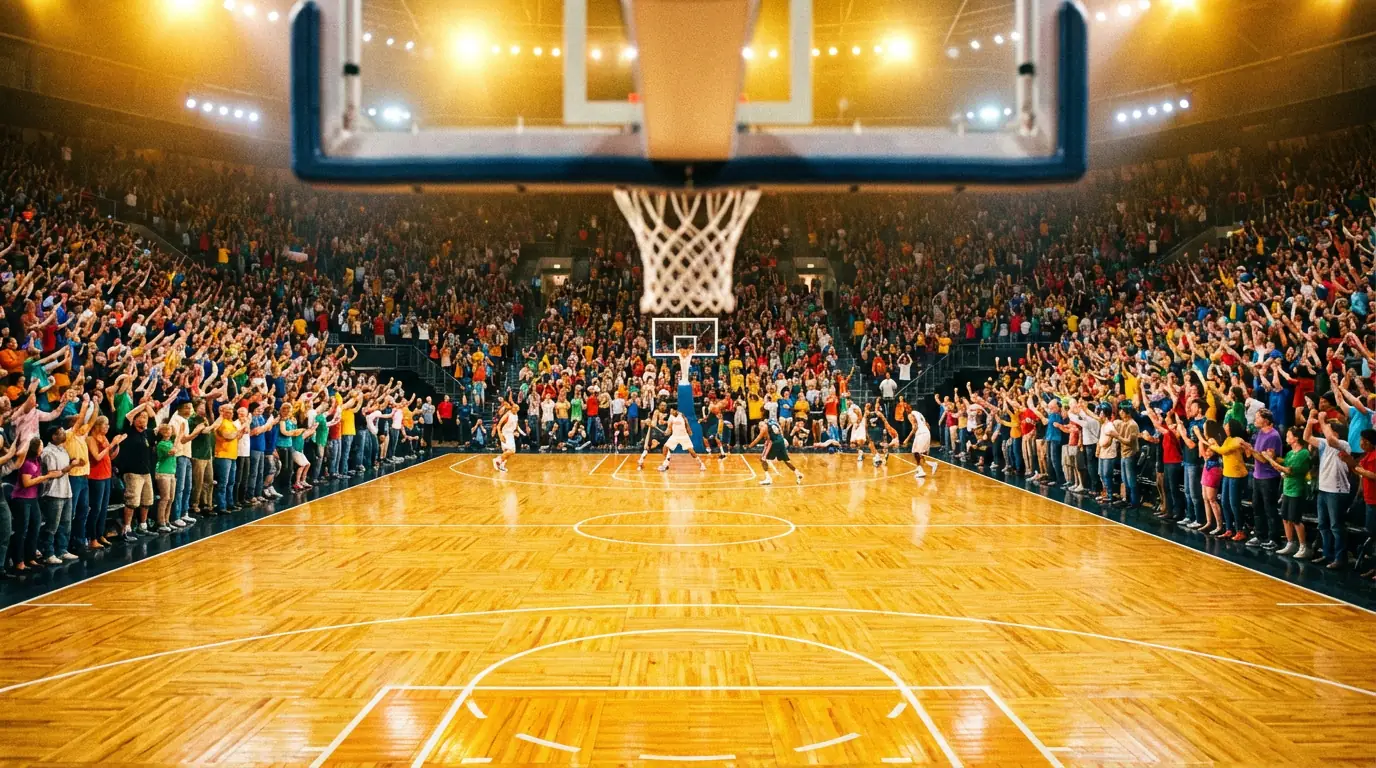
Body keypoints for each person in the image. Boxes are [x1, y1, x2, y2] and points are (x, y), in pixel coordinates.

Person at [748, 417, 803, 485]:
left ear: (761, 425)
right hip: (781, 441)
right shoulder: (773, 424)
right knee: (786, 461)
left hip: (775, 443)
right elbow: (779, 431)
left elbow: (757, 439)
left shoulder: (763, 428)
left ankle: (768, 479)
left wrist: (749, 446)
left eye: (759, 426)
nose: (759, 427)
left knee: (763, 459)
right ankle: (798, 473)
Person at [658, 406, 707, 472]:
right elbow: (669, 428)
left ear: (676, 411)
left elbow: (686, 423)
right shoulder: (671, 417)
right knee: (665, 447)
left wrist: (689, 431)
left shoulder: (681, 415)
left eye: (672, 411)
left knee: (692, 452)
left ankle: (701, 464)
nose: (671, 412)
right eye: (670, 411)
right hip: (674, 436)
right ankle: (665, 464)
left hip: (684, 436)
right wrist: (666, 432)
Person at [906, 407, 939, 479]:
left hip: (922, 434)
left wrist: (907, 439)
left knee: (917, 453)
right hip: (925, 433)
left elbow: (915, 427)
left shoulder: (910, 415)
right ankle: (923, 467)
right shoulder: (919, 414)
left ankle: (923, 469)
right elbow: (927, 425)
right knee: (917, 453)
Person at [493, 402, 523, 472]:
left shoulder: (516, 415)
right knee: (512, 450)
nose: (516, 409)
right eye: (514, 408)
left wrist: (516, 431)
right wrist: (500, 435)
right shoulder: (507, 414)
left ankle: (501, 466)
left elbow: (515, 425)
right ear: (512, 408)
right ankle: (497, 459)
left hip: (510, 434)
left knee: (507, 452)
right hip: (505, 434)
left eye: (517, 408)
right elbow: (498, 425)